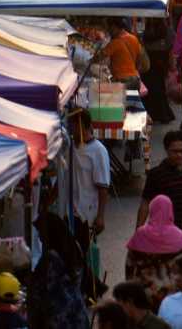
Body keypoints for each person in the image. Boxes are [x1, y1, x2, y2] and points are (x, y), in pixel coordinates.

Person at [69, 108, 110, 297]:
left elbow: (103, 187)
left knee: (85, 254)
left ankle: (93, 290)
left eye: (74, 126)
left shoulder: (98, 151)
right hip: (72, 211)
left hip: (88, 212)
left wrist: (100, 217)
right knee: (75, 255)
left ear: (84, 127)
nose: (71, 130)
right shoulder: (72, 147)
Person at [125, 196, 182, 310]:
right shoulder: (181, 237)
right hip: (172, 296)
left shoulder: (141, 235)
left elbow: (129, 268)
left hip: (144, 296)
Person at [140, 130, 182, 230]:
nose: (179, 155)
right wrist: (138, 230)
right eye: (175, 151)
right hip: (165, 231)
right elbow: (145, 203)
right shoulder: (155, 174)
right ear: (166, 150)